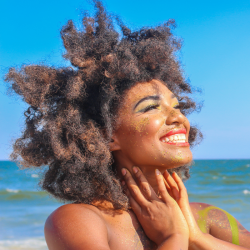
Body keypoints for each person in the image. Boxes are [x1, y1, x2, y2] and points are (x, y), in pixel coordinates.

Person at [5, 1, 250, 249]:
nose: (178, 118)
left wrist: (197, 238)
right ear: (107, 136)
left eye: (176, 106)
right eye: (151, 107)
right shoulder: (81, 221)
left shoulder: (206, 218)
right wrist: (173, 238)